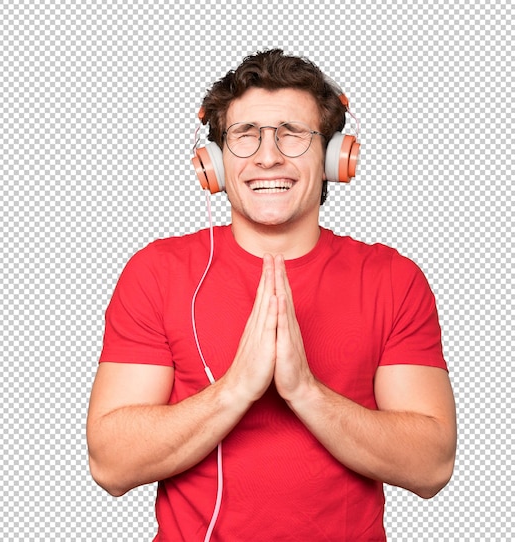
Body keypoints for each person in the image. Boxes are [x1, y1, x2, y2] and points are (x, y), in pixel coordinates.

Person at [87, 49, 457, 541]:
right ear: (214, 162)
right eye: (245, 136)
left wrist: (304, 391)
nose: (268, 156)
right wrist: (236, 389)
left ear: (333, 157)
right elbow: (111, 465)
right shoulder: (156, 273)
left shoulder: (393, 278)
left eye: (292, 134)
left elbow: (431, 466)